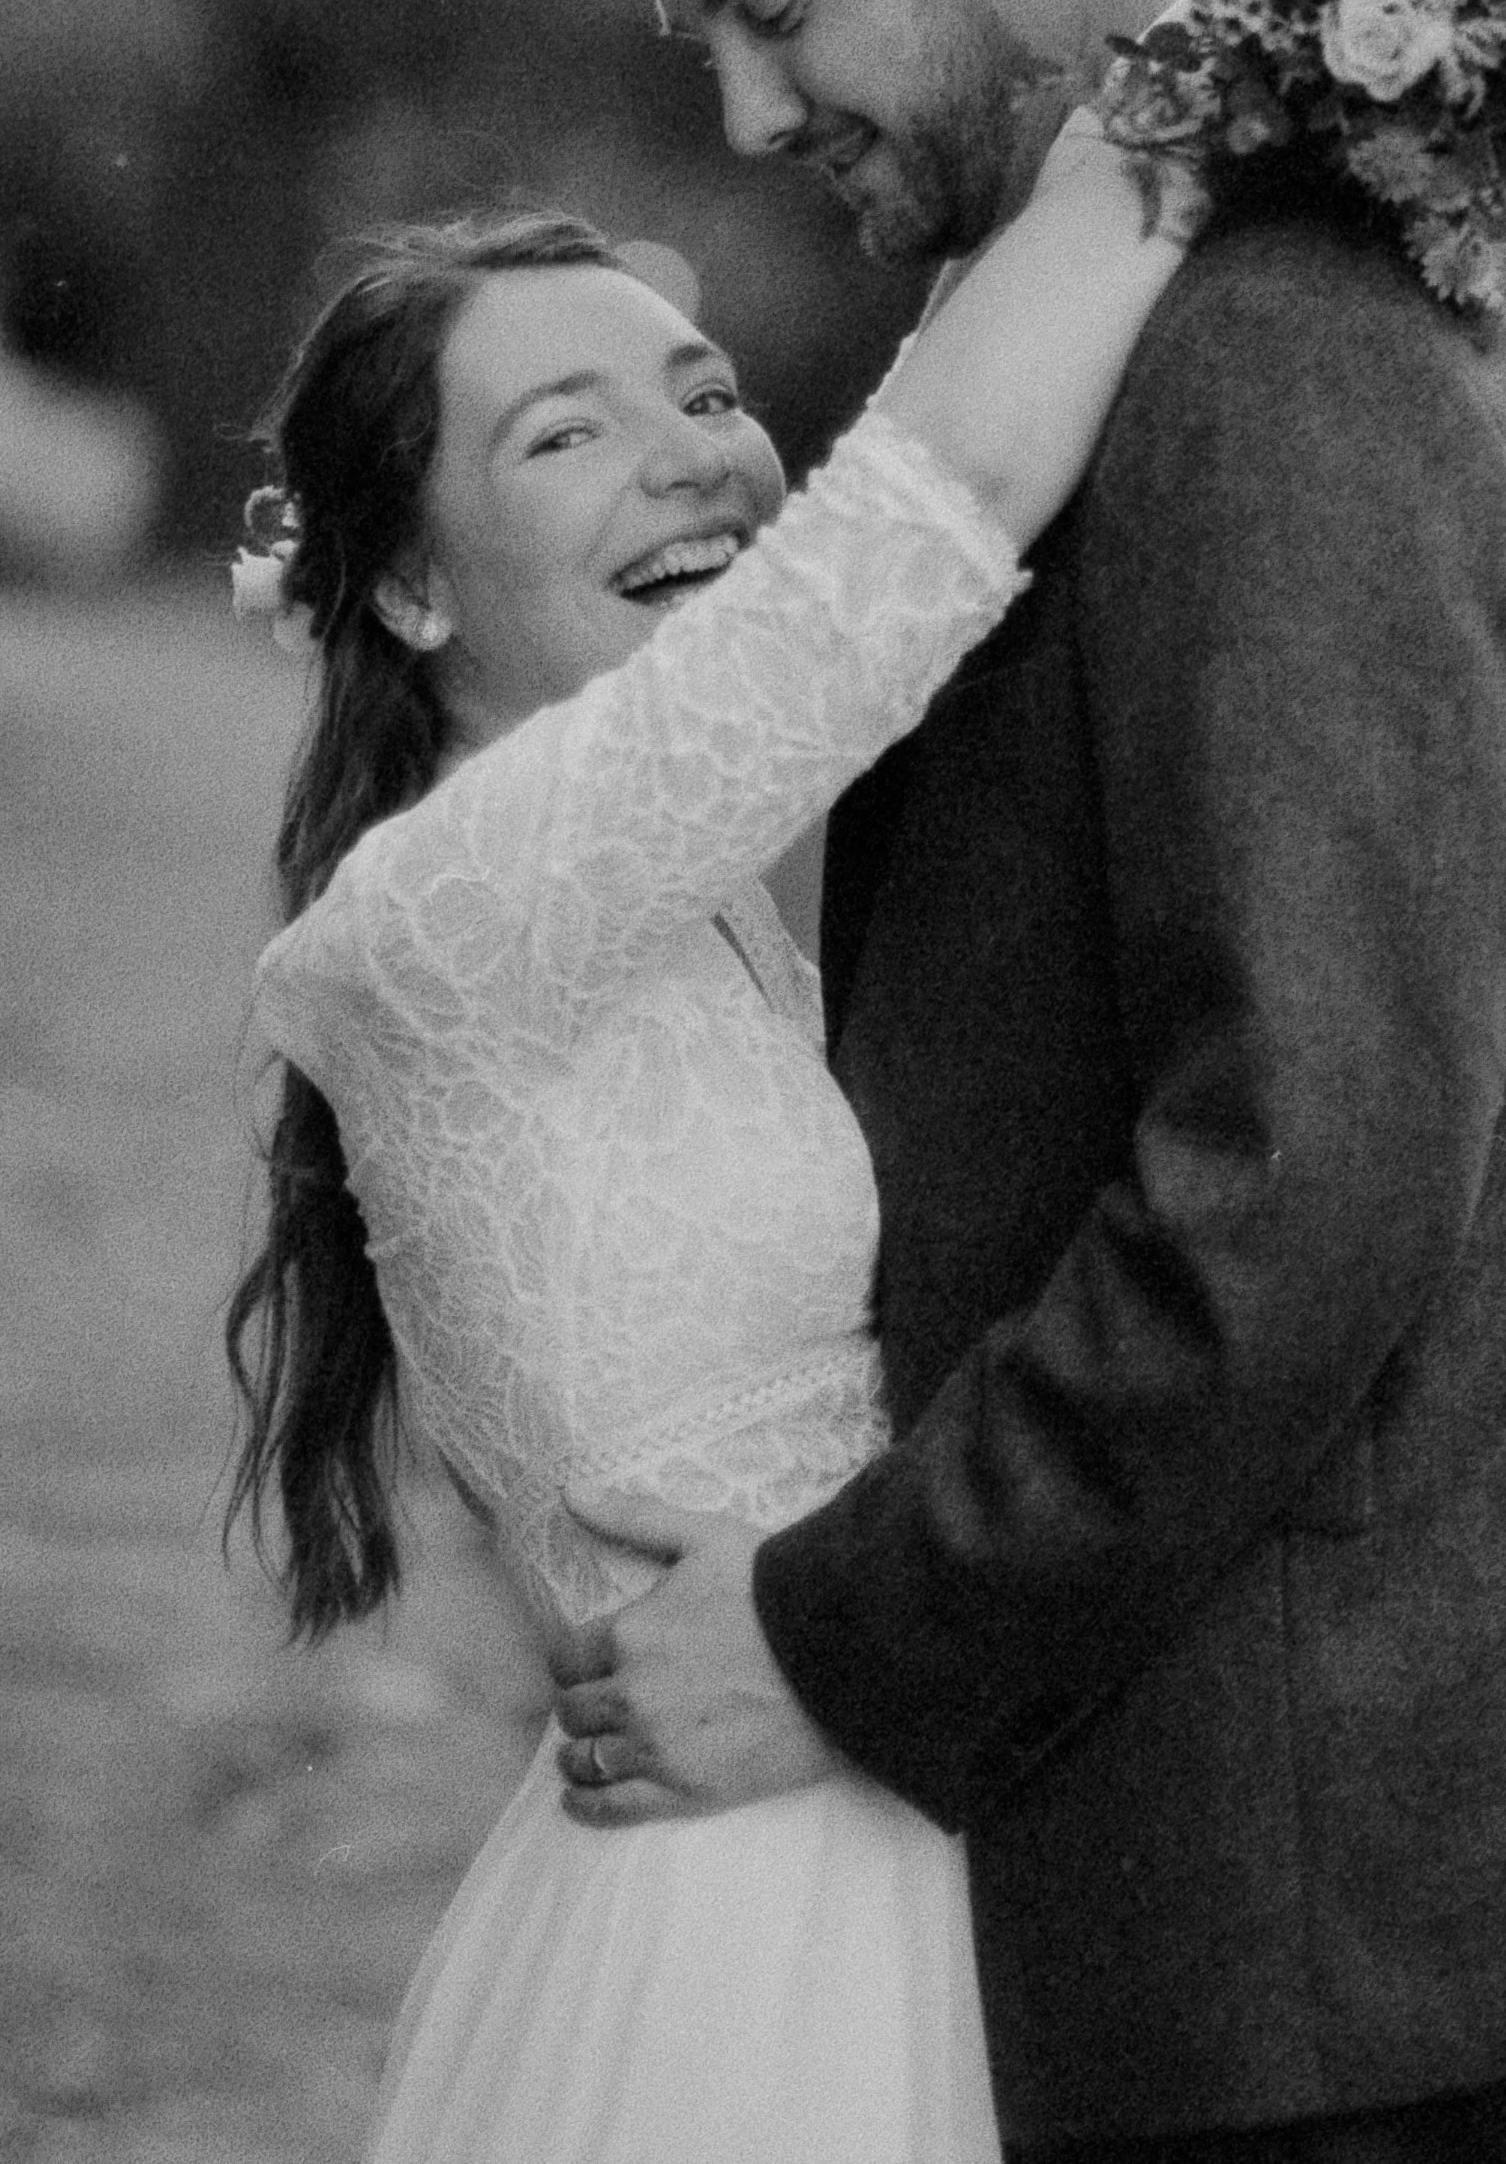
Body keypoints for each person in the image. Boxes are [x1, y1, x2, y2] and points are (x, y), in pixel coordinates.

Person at [533, 0, 1506, 2164]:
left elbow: (1300, 1171)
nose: (751, 113)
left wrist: (840, 1636)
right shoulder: (1199, 286)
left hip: (1286, 1870)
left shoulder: (1279, 351)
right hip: (1262, 1824)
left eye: (771, 6)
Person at [226, 127, 1200, 2164]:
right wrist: (1183, 103)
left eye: (707, 392)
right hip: (755, 1911)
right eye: (566, 433)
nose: (692, 459)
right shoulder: (436, 918)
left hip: (872, 1799)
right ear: (405, 583)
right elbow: (913, 527)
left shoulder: (669, 906)